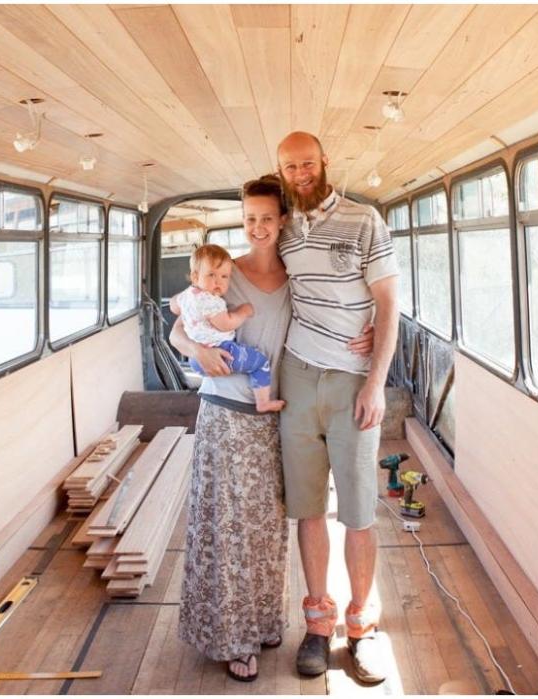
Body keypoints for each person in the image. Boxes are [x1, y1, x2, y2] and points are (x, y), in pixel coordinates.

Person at [170, 175, 375, 682]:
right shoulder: (220, 275)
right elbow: (176, 324)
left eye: (266, 217)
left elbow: (350, 297)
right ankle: (231, 639)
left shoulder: (297, 275)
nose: (257, 227)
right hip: (223, 414)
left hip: (272, 418)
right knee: (225, 531)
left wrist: (368, 329)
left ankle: (262, 627)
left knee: (264, 534)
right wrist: (196, 350)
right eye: (249, 219)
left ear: (282, 219)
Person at [274, 131, 400, 685]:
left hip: (353, 381)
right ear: (280, 170)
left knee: (358, 511)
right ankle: (319, 625)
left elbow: (390, 302)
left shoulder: (365, 220)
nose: (300, 172)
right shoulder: (280, 225)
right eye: (290, 165)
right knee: (307, 508)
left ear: (325, 161)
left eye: (307, 162)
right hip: (297, 375)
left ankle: (361, 627)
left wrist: (376, 382)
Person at [170, 243, 285, 413]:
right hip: (221, 352)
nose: (218, 281)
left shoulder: (188, 296)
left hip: (196, 362)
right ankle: (263, 402)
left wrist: (183, 303)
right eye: (211, 275)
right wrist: (243, 311)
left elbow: (173, 305)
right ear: (195, 277)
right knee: (260, 363)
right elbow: (225, 324)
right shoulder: (210, 301)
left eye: (224, 276)